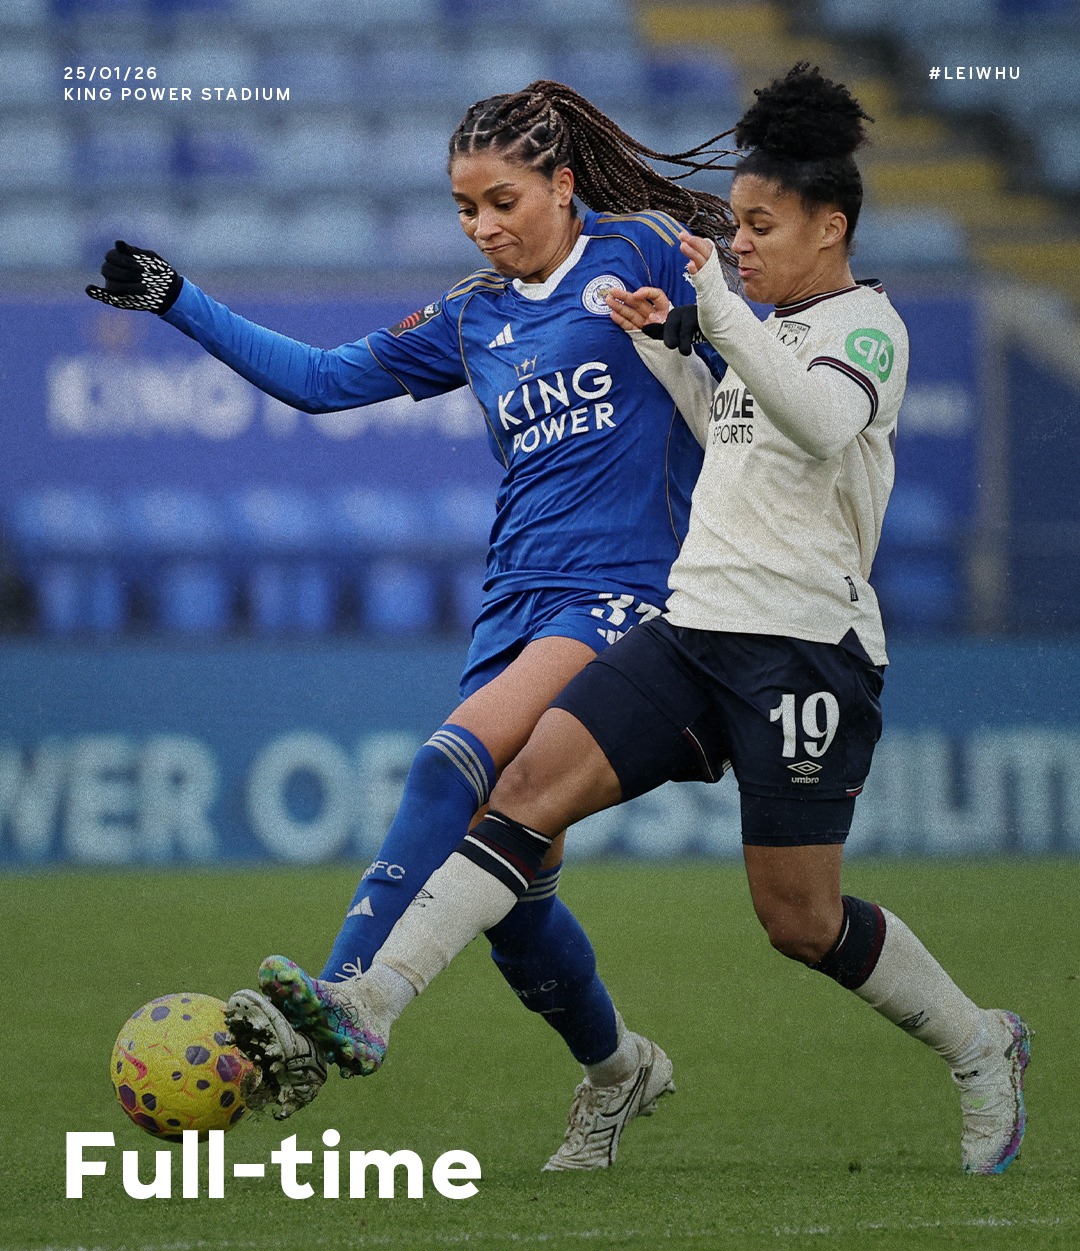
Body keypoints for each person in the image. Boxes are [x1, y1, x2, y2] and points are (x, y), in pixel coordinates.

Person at [259, 65, 1031, 1177]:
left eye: (762, 226)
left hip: (803, 648)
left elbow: (818, 425)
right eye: (738, 225)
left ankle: (979, 1042)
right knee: (522, 791)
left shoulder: (866, 330)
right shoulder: (750, 332)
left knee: (799, 921)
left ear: (831, 226)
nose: (740, 244)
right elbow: (736, 446)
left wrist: (712, 312)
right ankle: (371, 1000)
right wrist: (670, 351)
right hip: (692, 625)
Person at [86, 81, 739, 1169]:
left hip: (626, 590)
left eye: (502, 202)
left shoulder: (643, 250)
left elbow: (746, 361)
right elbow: (320, 382)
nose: (483, 227)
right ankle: (619, 1069)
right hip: (514, 602)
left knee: (450, 762)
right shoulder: (474, 315)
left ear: (562, 186)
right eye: (465, 209)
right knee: (509, 892)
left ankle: (345, 996)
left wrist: (709, 339)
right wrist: (178, 300)